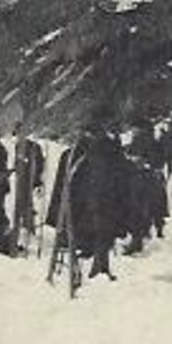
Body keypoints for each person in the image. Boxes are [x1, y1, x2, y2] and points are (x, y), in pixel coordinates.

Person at [47, 118, 128, 280]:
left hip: (93, 204)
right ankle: (97, 267)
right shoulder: (81, 154)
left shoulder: (101, 152)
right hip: (92, 205)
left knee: (100, 234)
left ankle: (99, 267)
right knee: (100, 234)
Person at [11, 123, 46, 253]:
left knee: (27, 203)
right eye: (18, 133)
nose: (20, 135)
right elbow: (17, 162)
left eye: (22, 133)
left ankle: (29, 227)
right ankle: (23, 226)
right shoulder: (17, 146)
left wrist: (37, 181)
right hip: (21, 179)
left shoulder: (34, 147)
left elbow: (40, 164)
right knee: (20, 202)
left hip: (31, 180)